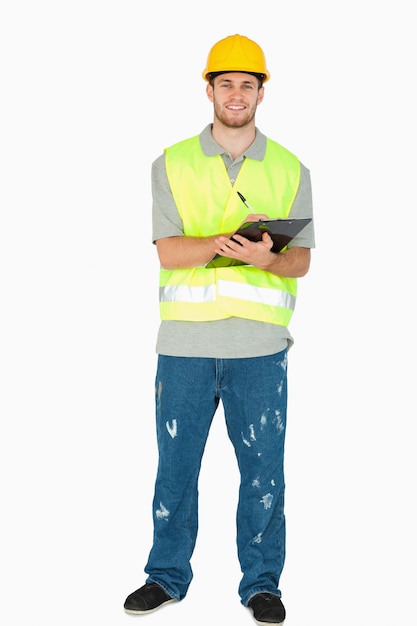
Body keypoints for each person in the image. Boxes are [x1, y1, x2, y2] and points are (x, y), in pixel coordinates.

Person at [124, 33, 315, 626]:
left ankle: (261, 584)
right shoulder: (172, 163)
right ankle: (165, 577)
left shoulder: (291, 168)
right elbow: (168, 252)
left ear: (262, 92)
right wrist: (225, 242)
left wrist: (267, 260)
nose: (237, 94)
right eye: (226, 83)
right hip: (184, 346)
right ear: (208, 89)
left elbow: (302, 258)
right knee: (175, 469)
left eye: (248, 84)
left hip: (260, 349)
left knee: (264, 472)